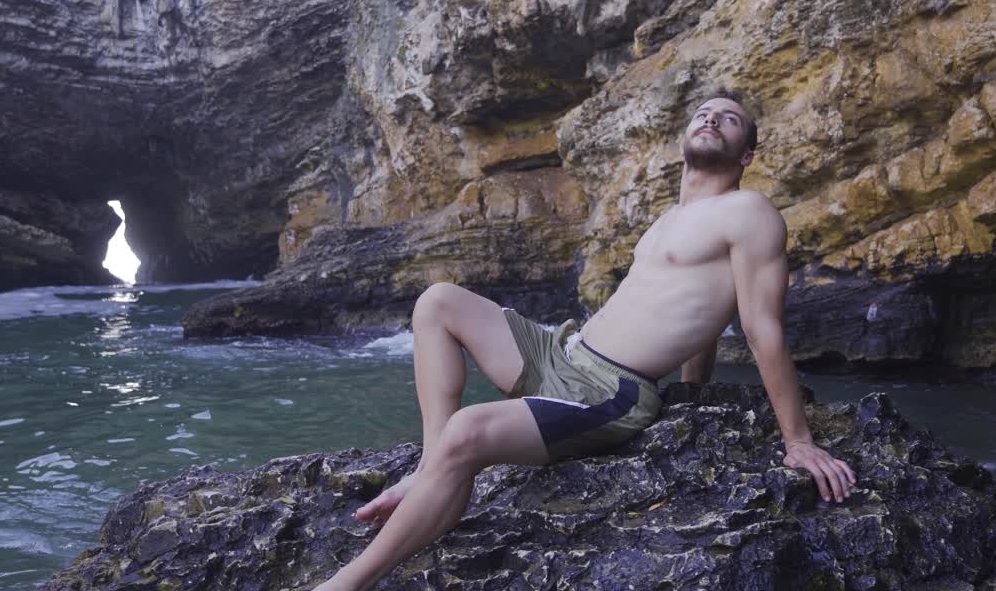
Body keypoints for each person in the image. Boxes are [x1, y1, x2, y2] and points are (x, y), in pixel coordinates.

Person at [315, 92, 857, 590]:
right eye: (702, 113)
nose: (712, 118)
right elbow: (699, 313)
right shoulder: (669, 219)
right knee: (437, 302)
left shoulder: (750, 212)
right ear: (683, 139)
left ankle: (348, 583)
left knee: (469, 430)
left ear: (746, 158)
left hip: (607, 392)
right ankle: (429, 470)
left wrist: (798, 440)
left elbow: (761, 326)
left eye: (731, 119)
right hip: (562, 351)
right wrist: (695, 392)